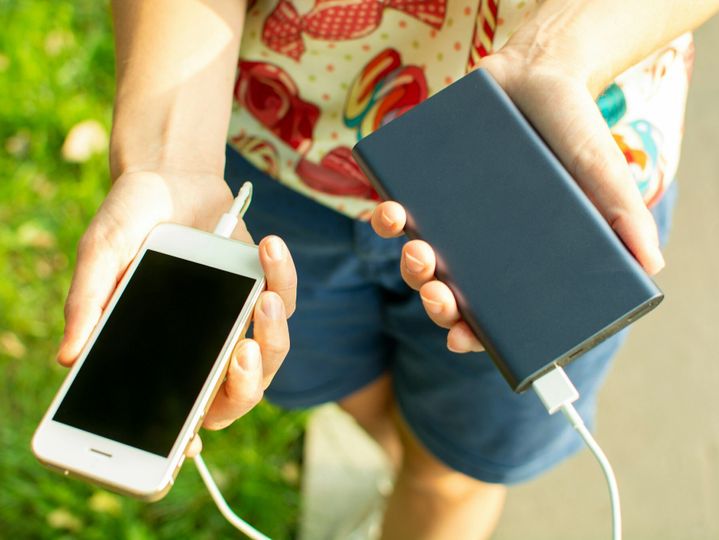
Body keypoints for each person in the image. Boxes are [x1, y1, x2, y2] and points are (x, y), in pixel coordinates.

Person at [57, 0, 719, 538]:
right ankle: (402, 456)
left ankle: (422, 480)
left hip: (554, 157)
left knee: (454, 472)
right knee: (332, 382)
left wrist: (555, 55)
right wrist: (167, 163)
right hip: (275, 143)